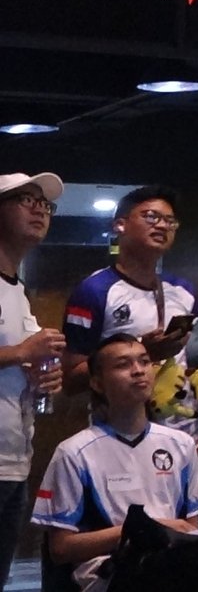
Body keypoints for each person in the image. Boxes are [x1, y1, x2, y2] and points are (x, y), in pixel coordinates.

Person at [61, 186, 198, 481]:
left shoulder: (184, 291)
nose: (163, 225)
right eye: (151, 217)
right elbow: (72, 379)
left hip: (187, 443)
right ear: (120, 225)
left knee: (187, 527)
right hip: (119, 441)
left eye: (170, 220)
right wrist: (144, 353)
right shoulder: (95, 290)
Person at [33, 334, 198, 592]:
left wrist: (163, 535)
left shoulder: (181, 444)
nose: (138, 371)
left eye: (144, 361)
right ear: (97, 383)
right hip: (108, 573)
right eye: (123, 365)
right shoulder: (74, 453)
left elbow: (190, 529)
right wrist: (141, 531)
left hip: (171, 565)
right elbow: (60, 549)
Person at [0, 172, 66, 584]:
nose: (39, 208)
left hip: (14, 461)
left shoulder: (18, 289)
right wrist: (23, 352)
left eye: (45, 203)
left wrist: (39, 374)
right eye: (26, 199)